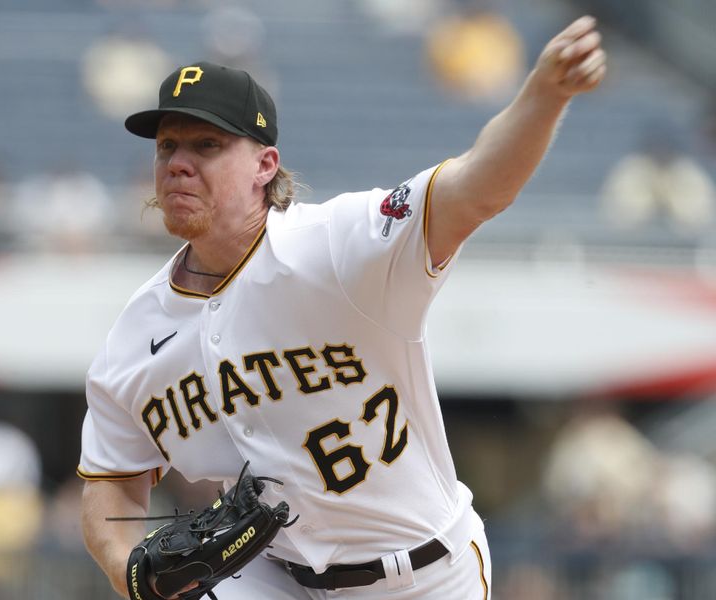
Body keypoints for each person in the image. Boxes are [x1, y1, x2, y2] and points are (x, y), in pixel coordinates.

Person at [77, 15, 606, 599]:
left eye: (208, 144)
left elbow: (478, 187)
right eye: (167, 146)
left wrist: (545, 96)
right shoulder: (135, 333)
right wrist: (128, 571)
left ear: (265, 166)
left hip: (421, 574)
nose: (178, 162)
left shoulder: (337, 245)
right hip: (272, 578)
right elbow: (110, 485)